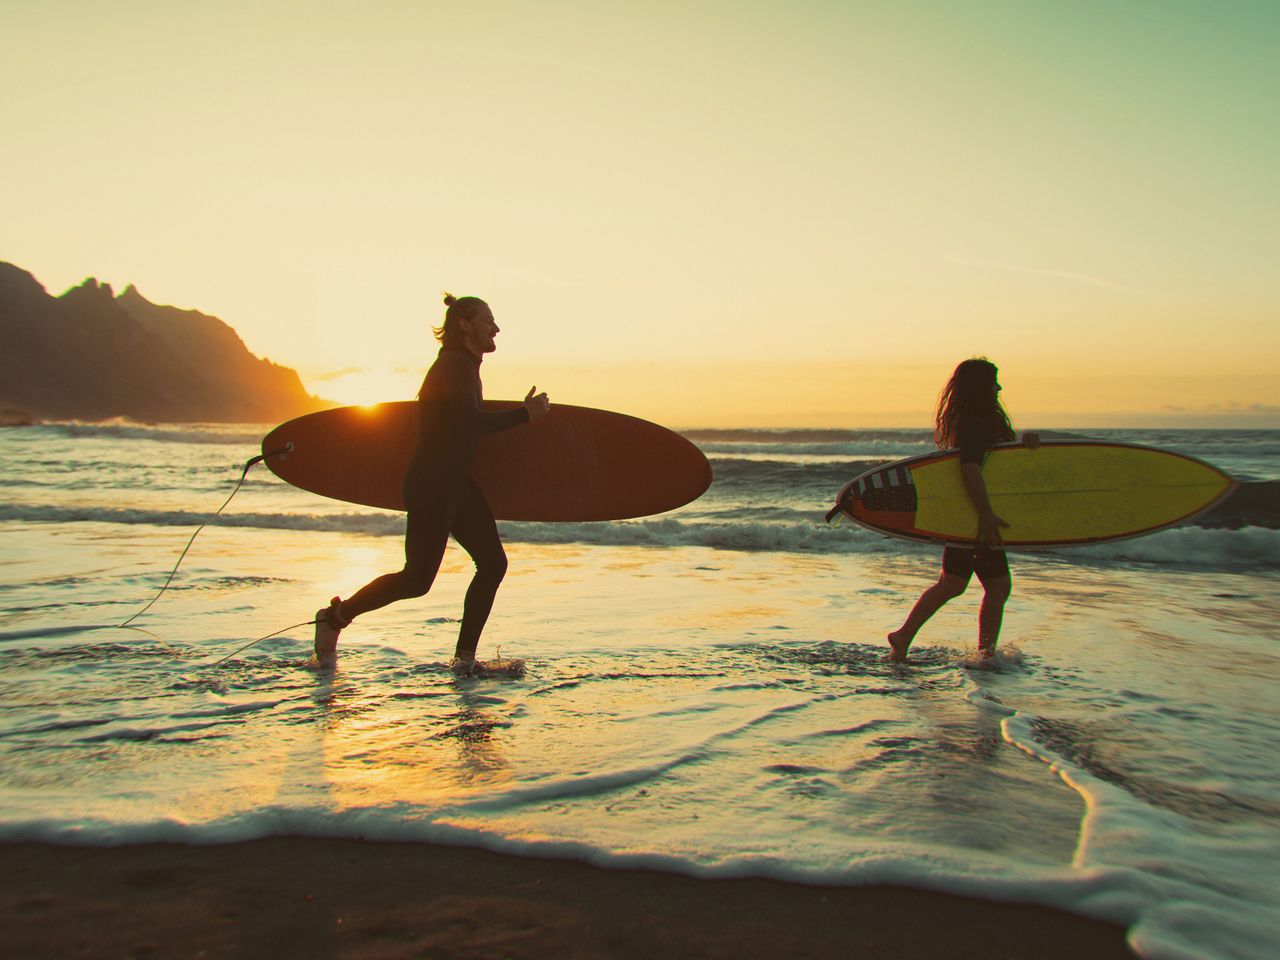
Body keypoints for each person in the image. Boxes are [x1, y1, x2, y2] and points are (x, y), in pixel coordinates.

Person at [313, 294, 550, 672]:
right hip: (434, 485)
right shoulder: (455, 364)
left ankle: (464, 660)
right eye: (488, 320)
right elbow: (469, 422)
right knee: (416, 579)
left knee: (492, 564)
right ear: (465, 325)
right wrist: (525, 414)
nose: (496, 328)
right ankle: (335, 617)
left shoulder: (465, 365)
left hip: (457, 484)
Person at [887, 358, 1038, 663]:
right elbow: (970, 469)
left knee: (952, 584)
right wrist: (985, 515)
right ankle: (986, 655)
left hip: (964, 517)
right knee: (997, 587)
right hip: (975, 517)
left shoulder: (971, 420)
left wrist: (1025, 445)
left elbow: (995, 467)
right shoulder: (974, 423)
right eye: (993, 382)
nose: (999, 387)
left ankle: (903, 636)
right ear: (980, 387)